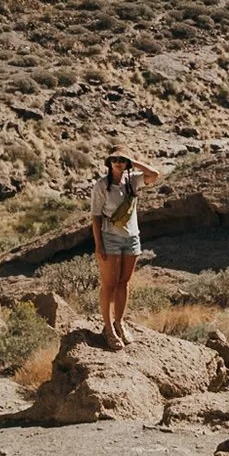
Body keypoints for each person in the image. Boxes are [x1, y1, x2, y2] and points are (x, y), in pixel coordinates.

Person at [88, 150, 161, 349]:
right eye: (115, 160)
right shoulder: (102, 186)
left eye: (122, 160)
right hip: (109, 238)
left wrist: (133, 161)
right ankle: (108, 328)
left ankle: (119, 322)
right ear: (109, 163)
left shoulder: (133, 181)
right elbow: (95, 217)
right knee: (109, 284)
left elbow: (154, 174)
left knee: (124, 282)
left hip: (132, 238)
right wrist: (98, 244)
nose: (118, 163)